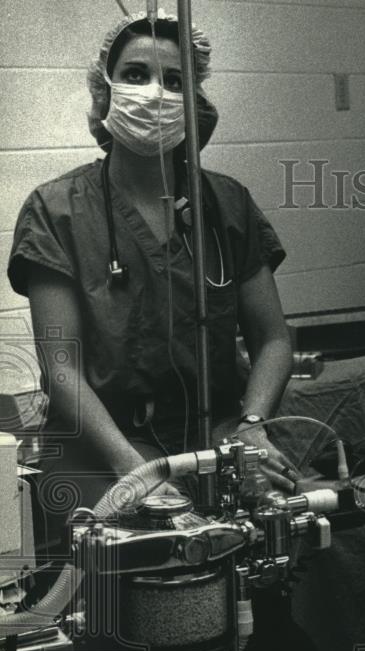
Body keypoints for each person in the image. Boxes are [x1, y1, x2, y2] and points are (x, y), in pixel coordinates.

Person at [6, 12, 299, 533]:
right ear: (106, 90)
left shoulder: (227, 205)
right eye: (136, 74)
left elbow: (273, 338)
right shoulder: (58, 211)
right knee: (150, 540)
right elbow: (61, 367)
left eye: (174, 81)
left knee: (289, 525)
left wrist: (252, 427)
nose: (154, 93)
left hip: (215, 434)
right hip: (100, 444)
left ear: (194, 102)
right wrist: (129, 467)